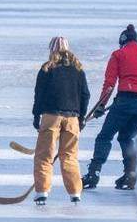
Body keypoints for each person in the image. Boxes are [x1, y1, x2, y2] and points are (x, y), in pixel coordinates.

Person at [84, 25, 137, 191]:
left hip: (125, 100)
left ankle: (93, 173)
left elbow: (109, 84)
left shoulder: (118, 54)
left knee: (105, 136)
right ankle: (131, 174)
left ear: (122, 41)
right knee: (127, 138)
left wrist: (101, 106)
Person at [30, 37, 92, 205]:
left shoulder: (47, 68)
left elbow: (39, 94)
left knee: (44, 156)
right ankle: (75, 193)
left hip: (51, 117)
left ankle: (42, 191)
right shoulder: (78, 69)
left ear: (52, 50)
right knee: (70, 156)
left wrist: (36, 116)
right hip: (72, 118)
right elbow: (85, 95)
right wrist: (81, 117)